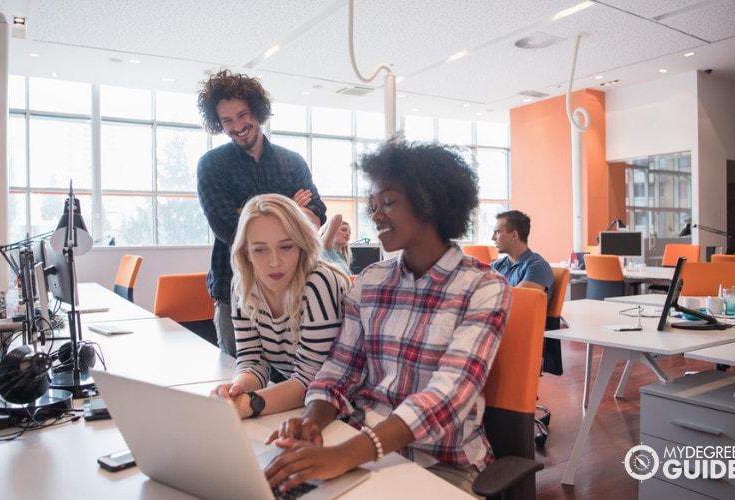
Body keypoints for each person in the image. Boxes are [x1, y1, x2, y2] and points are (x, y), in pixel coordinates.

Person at [263, 138, 512, 496]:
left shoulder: (484, 288)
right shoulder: (369, 281)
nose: (376, 215)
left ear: (431, 202)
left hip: (443, 465)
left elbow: (448, 395)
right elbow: (338, 370)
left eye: (389, 202)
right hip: (358, 449)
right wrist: (311, 422)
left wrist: (346, 455)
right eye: (374, 204)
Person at [196, 69, 327, 357]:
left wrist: (248, 211)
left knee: (297, 378)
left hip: (294, 288)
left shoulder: (292, 162)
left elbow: (317, 216)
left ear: (257, 111)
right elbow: (227, 227)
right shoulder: (211, 165)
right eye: (227, 120)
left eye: (243, 115)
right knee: (239, 378)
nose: (237, 126)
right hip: (236, 290)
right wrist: (291, 207)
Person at [211, 194, 349, 419]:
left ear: (302, 246)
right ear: (246, 253)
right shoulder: (243, 287)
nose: (274, 261)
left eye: (285, 247)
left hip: (344, 408)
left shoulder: (319, 282)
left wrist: (251, 403)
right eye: (260, 250)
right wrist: (237, 389)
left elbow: (312, 380)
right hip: (307, 408)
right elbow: (252, 360)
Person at [491, 210, 554, 304]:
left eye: (498, 232)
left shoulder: (538, 267)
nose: (493, 238)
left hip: (515, 318)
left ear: (514, 235)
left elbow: (515, 302)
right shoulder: (496, 266)